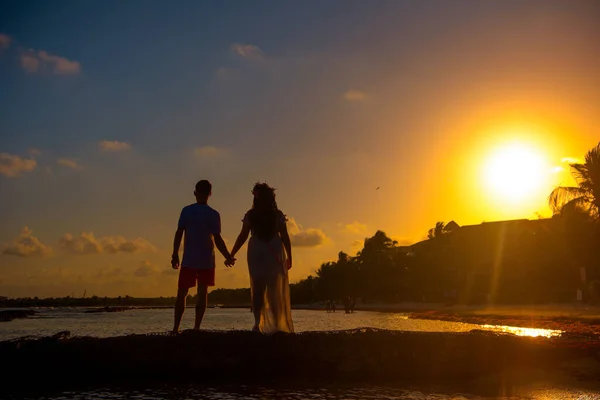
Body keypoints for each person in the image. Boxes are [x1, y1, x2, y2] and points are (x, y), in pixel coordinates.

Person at [171, 180, 234, 334]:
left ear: (195, 193)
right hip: (206, 259)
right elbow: (217, 239)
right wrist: (228, 256)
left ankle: (176, 328)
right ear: (210, 194)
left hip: (191, 259)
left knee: (182, 293)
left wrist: (174, 254)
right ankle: (196, 327)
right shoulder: (213, 214)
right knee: (201, 292)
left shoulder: (187, 211)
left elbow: (179, 233)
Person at [230, 182, 294, 334]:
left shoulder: (252, 215)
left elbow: (242, 236)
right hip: (270, 254)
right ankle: (274, 324)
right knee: (273, 290)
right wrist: (290, 256)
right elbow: (285, 237)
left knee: (259, 288)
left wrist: (231, 254)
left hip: (258, 253)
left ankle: (258, 324)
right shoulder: (276, 215)